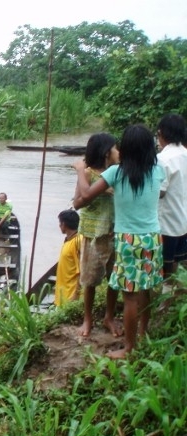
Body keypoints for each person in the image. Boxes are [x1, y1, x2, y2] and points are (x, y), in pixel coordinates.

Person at [73, 124, 165, 359]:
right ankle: (142, 334)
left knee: (130, 296)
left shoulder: (117, 173)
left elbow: (85, 196)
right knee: (145, 289)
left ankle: (129, 348)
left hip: (128, 239)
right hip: (153, 237)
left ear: (126, 148)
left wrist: (80, 170)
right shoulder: (157, 170)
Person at [73, 133, 121, 337]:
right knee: (90, 279)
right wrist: (96, 188)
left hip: (114, 231)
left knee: (114, 278)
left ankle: (109, 317)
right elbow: (77, 203)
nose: (119, 152)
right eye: (115, 148)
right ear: (106, 152)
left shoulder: (117, 173)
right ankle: (88, 319)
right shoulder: (88, 173)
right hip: (93, 233)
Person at [156, 113, 187, 279]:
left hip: (166, 224)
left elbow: (160, 192)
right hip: (183, 221)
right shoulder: (185, 153)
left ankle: (164, 296)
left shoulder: (162, 159)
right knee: (179, 268)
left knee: (164, 270)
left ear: (161, 133)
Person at [54, 209, 82, 307]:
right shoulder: (68, 240)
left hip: (71, 297)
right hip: (63, 295)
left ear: (64, 224)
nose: (59, 226)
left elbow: (81, 271)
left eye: (60, 223)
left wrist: (76, 295)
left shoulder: (77, 241)